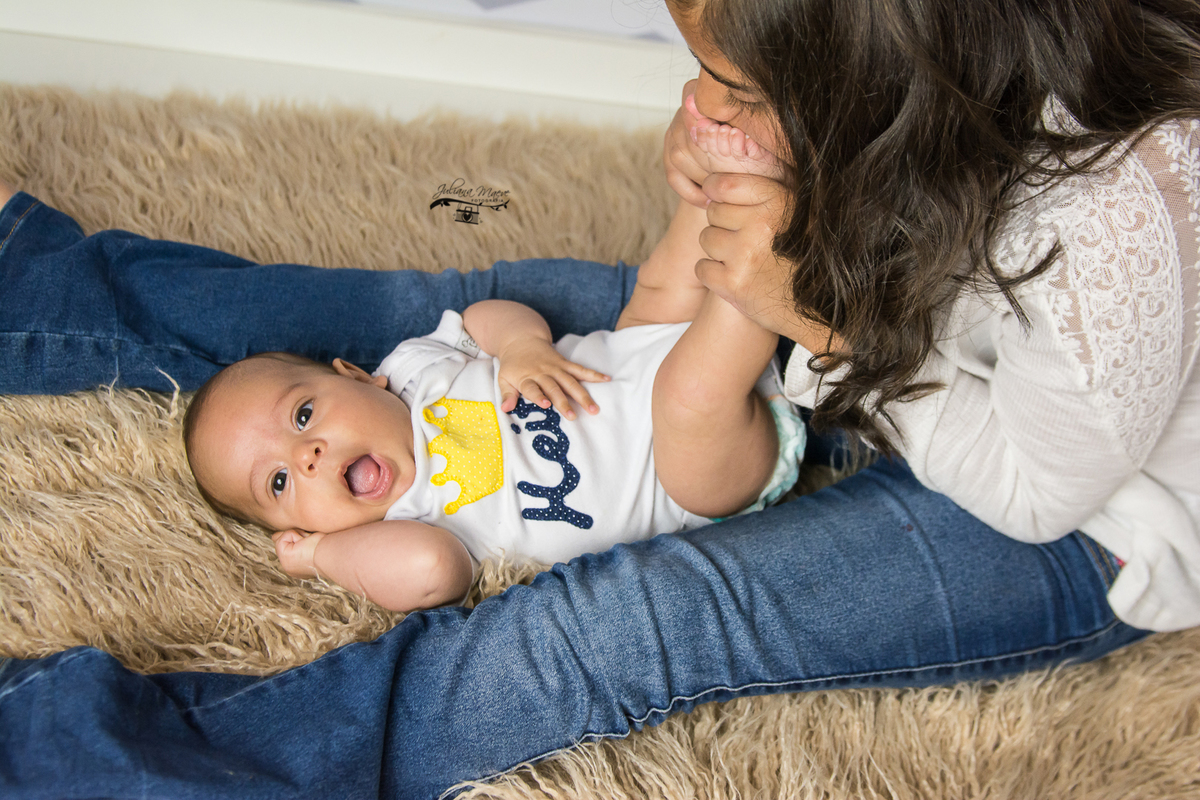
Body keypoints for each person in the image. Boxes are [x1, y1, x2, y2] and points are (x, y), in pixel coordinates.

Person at [1, 0, 1198, 797]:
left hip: (1092, 510)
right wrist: (721, 201)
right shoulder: (941, 68)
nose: (701, 101)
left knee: (627, 617)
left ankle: (78, 757)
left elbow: (1039, 489)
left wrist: (812, 324)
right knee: (462, 306)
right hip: (853, 319)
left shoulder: (1118, 221)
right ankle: (31, 282)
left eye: (730, 81)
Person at [183, 237, 801, 610]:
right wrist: (323, 556)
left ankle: (724, 172)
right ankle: (776, 264)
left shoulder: (412, 366)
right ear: (293, 527)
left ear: (354, 374)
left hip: (643, 347)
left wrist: (522, 346)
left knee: (665, 278)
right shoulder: (407, 526)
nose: (308, 455)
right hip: (699, 470)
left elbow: (483, 314)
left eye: (303, 414)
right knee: (690, 398)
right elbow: (432, 574)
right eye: (281, 484)